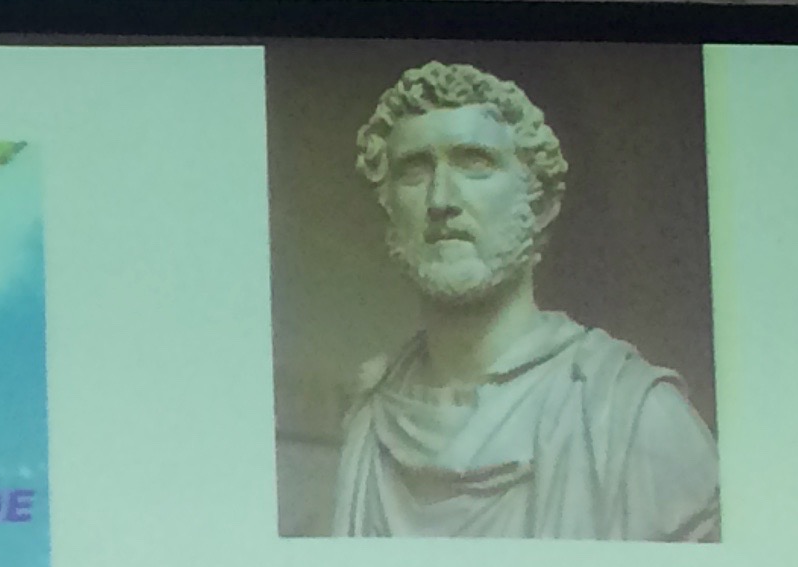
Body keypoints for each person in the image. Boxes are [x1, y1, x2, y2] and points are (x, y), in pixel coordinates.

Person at [280, 60, 719, 541]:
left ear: (540, 205)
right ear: (390, 214)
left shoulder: (633, 419)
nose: (441, 200)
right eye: (414, 170)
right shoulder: (369, 419)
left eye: (475, 163)